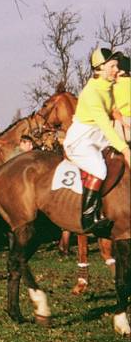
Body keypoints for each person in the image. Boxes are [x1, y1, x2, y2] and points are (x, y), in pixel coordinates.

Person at [62, 48, 131, 237]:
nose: (117, 69)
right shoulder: (91, 92)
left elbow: (111, 108)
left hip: (97, 135)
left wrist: (118, 115)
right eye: (113, 66)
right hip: (81, 139)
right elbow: (104, 125)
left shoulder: (107, 85)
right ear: (100, 68)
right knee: (99, 169)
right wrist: (125, 150)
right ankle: (88, 216)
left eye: (116, 66)